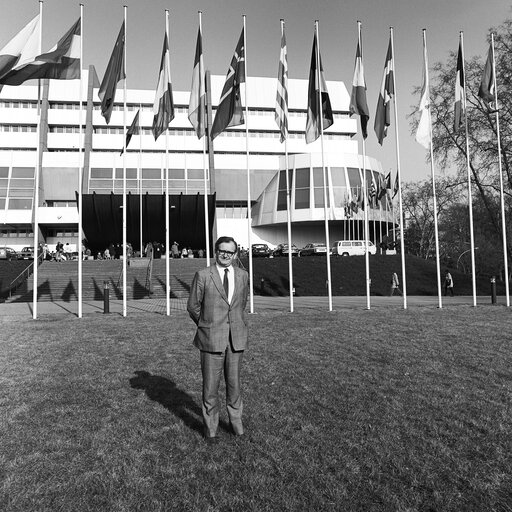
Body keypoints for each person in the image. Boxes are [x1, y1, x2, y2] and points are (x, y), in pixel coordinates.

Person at [187, 236, 249, 443]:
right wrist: (207, 325)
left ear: (235, 254)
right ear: (216, 251)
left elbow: (241, 305)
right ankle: (211, 429)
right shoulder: (203, 275)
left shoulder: (243, 275)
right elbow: (193, 306)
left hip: (236, 340)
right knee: (210, 387)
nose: (225, 255)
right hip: (211, 339)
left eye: (230, 252)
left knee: (234, 386)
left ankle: (236, 424)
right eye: (222, 251)